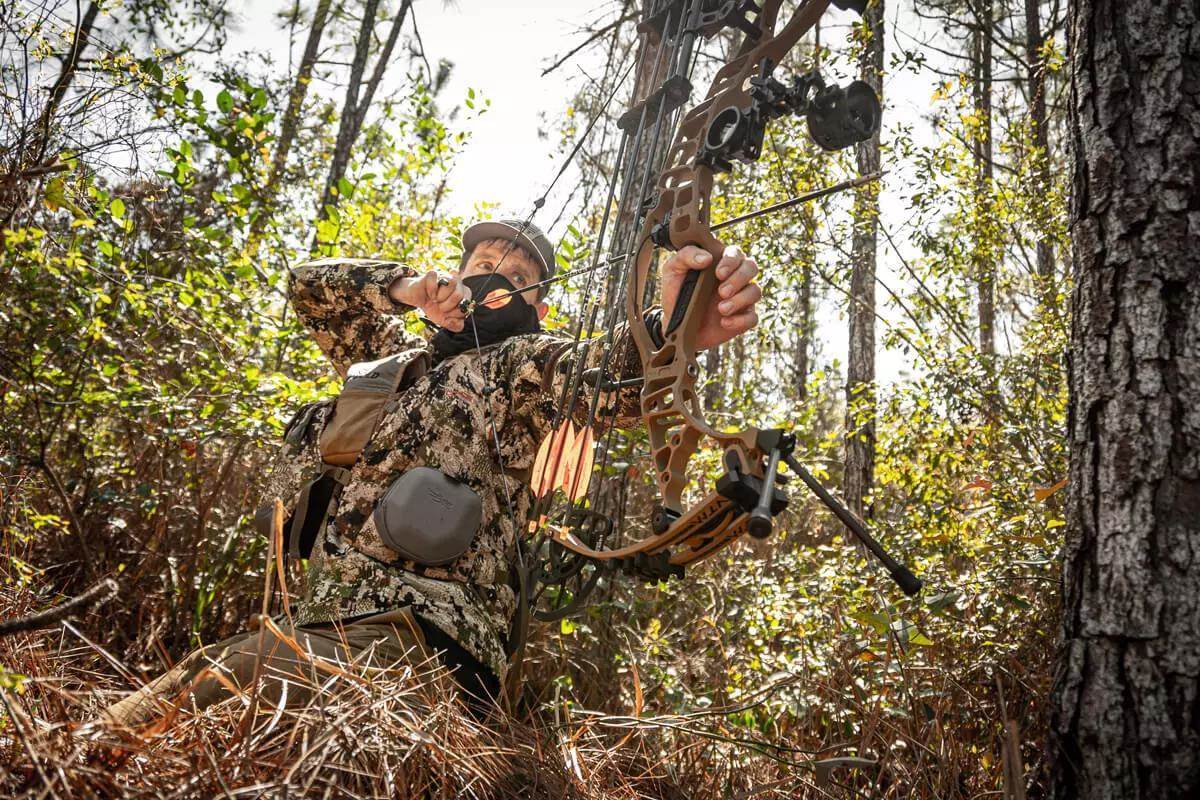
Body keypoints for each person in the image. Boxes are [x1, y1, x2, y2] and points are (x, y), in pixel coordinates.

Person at [98, 218, 762, 726]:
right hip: (329, 618)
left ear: (537, 306)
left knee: (236, 684)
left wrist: (678, 320)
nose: (497, 270)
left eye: (519, 271)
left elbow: (605, 373)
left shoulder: (519, 365)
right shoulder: (394, 359)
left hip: (428, 636)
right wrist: (407, 289)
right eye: (482, 261)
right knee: (198, 685)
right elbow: (310, 288)